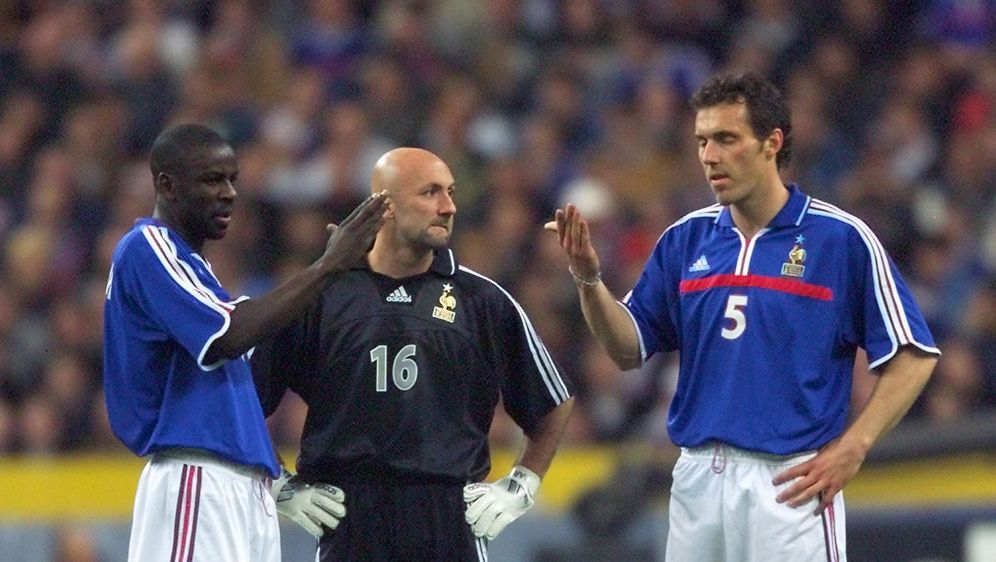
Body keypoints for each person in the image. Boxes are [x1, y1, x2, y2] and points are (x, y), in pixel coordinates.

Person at [547, 71, 940, 561]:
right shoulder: (685, 238)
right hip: (696, 478)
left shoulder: (839, 239)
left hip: (789, 484)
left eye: (726, 139)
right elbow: (628, 349)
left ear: (771, 143)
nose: (709, 156)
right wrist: (588, 278)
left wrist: (854, 446)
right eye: (702, 141)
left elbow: (913, 354)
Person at [251, 147, 575, 561]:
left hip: (449, 518)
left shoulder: (482, 299)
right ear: (384, 206)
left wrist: (521, 486)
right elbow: (243, 400)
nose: (449, 206)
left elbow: (553, 403)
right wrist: (280, 483)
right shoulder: (321, 295)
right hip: (349, 517)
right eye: (430, 193)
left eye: (451, 192)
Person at [103, 123, 388, 561]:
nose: (230, 192)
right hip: (196, 479)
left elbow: (230, 387)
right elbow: (229, 336)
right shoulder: (147, 246)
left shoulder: (196, 269)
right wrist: (329, 265)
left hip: (240, 489)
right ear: (167, 185)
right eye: (212, 179)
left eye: (233, 179)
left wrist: (273, 475)